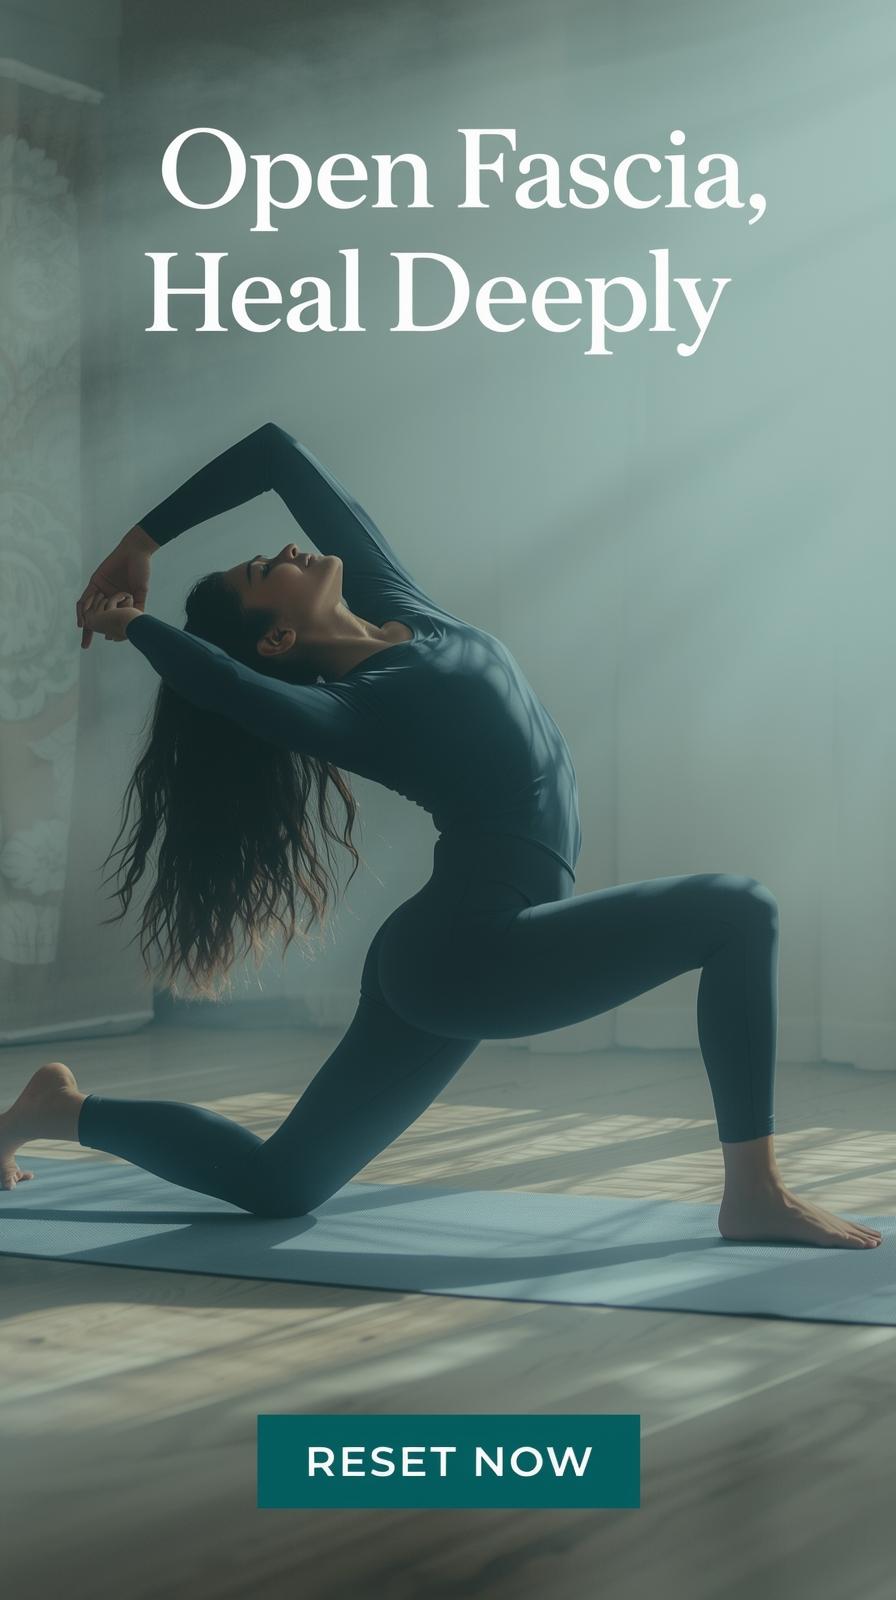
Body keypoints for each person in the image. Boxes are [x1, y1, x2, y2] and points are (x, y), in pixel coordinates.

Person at [0, 422, 880, 1248]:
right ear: (278, 638)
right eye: (268, 569)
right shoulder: (356, 712)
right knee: (739, 912)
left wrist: (143, 540)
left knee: (281, 1183)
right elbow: (228, 690)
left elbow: (276, 454)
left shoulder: (405, 610)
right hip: (473, 955)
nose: (289, 550)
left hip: (447, 952)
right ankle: (753, 1193)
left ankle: (58, 1110)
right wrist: (134, 626)